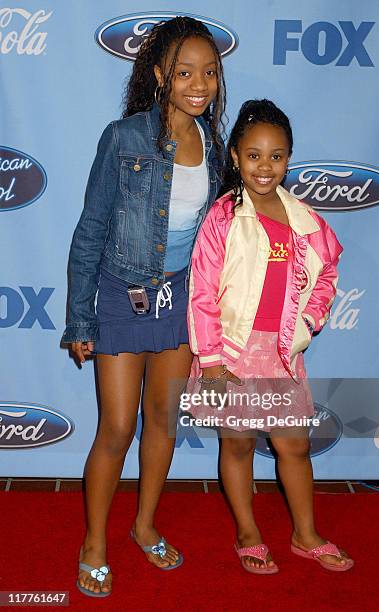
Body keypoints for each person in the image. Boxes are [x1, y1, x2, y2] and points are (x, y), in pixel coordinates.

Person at [61, 16, 226, 597]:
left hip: (180, 298)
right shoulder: (123, 137)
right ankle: (94, 543)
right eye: (184, 72)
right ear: (160, 75)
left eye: (208, 71)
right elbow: (90, 229)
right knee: (116, 427)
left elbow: (216, 239)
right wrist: (80, 317)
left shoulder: (215, 142)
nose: (198, 83)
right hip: (121, 293)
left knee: (164, 422)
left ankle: (144, 525)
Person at [186, 99, 354, 574]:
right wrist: (212, 359)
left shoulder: (305, 220)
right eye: (254, 155)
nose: (265, 166)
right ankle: (248, 531)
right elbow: (201, 291)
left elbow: (328, 273)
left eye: (276, 156)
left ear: (288, 159)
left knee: (293, 446)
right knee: (236, 444)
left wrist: (308, 323)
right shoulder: (223, 217)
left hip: (281, 354)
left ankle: (306, 533)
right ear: (236, 157)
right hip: (231, 354)